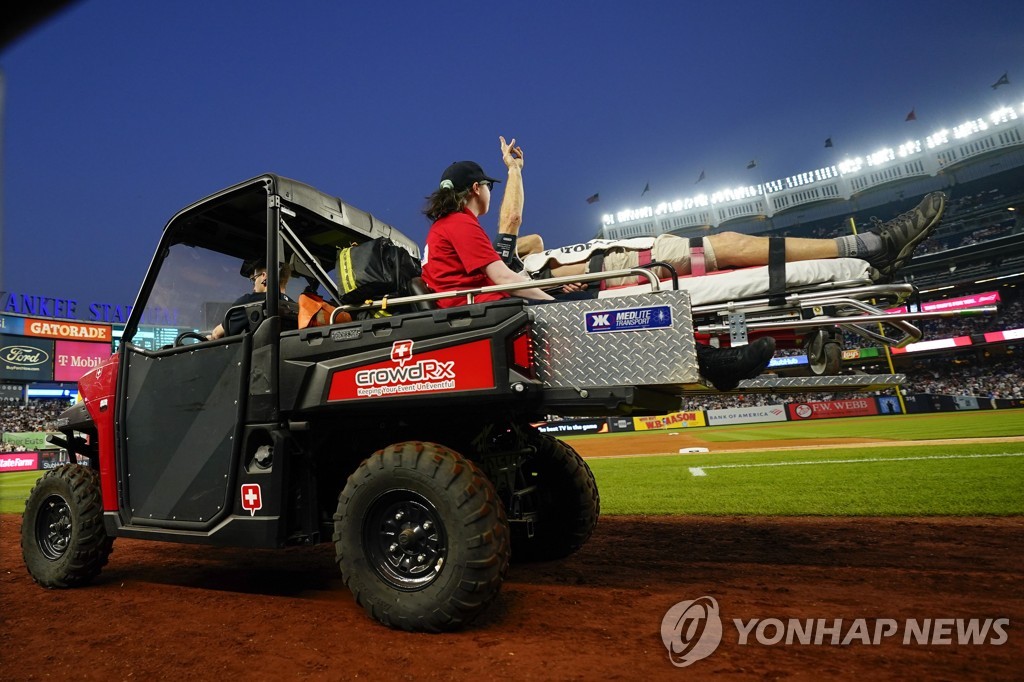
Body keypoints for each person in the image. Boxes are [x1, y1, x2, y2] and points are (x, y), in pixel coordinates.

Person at [420, 137, 776, 391]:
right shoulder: (459, 223)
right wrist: (550, 301)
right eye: (487, 187)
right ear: (475, 189)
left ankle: (710, 364)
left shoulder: (445, 227)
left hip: (490, 310)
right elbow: (500, 274)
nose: (489, 193)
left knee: (600, 304)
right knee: (619, 315)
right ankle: (714, 366)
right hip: (494, 312)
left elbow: (493, 271)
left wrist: (552, 291)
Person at [209, 260, 292, 339]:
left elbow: (217, 334)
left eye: (254, 279)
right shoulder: (294, 307)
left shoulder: (250, 301)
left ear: (264, 276)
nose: (254, 286)